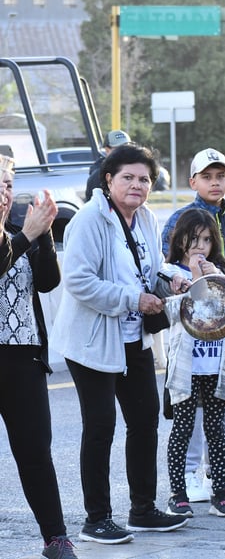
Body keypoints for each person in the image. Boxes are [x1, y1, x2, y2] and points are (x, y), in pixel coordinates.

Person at [51, 143, 190, 544]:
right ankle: (96, 519)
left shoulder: (144, 217)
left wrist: (171, 278)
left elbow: (148, 269)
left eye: (144, 179)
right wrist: (132, 299)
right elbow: (78, 281)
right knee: (100, 428)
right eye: (127, 177)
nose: (137, 185)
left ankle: (142, 510)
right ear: (108, 180)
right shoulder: (89, 220)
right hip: (92, 341)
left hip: (134, 338)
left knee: (145, 421)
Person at [161, 148, 225, 502]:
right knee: (187, 411)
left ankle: (219, 472)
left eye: (221, 176)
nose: (215, 183)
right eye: (207, 177)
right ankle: (187, 477)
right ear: (193, 181)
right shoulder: (179, 220)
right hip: (189, 337)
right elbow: (167, 272)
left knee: (221, 408)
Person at [0, 155, 79, 559]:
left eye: (8, 184)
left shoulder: (20, 229)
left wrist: (43, 233)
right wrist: (27, 237)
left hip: (23, 357)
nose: (4, 192)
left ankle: (56, 537)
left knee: (35, 451)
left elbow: (47, 283)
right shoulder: (19, 235)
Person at [164, 209, 225, 520]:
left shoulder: (222, 272)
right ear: (181, 239)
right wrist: (187, 285)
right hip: (187, 367)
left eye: (207, 240)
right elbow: (168, 314)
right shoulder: (170, 272)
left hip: (216, 366)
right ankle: (178, 493)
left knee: (216, 430)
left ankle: (221, 493)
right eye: (194, 239)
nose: (200, 246)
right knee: (182, 429)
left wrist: (215, 278)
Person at [84, 129, 131, 202]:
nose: (125, 152)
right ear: (107, 150)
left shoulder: (133, 169)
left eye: (127, 148)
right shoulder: (98, 175)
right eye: (119, 148)